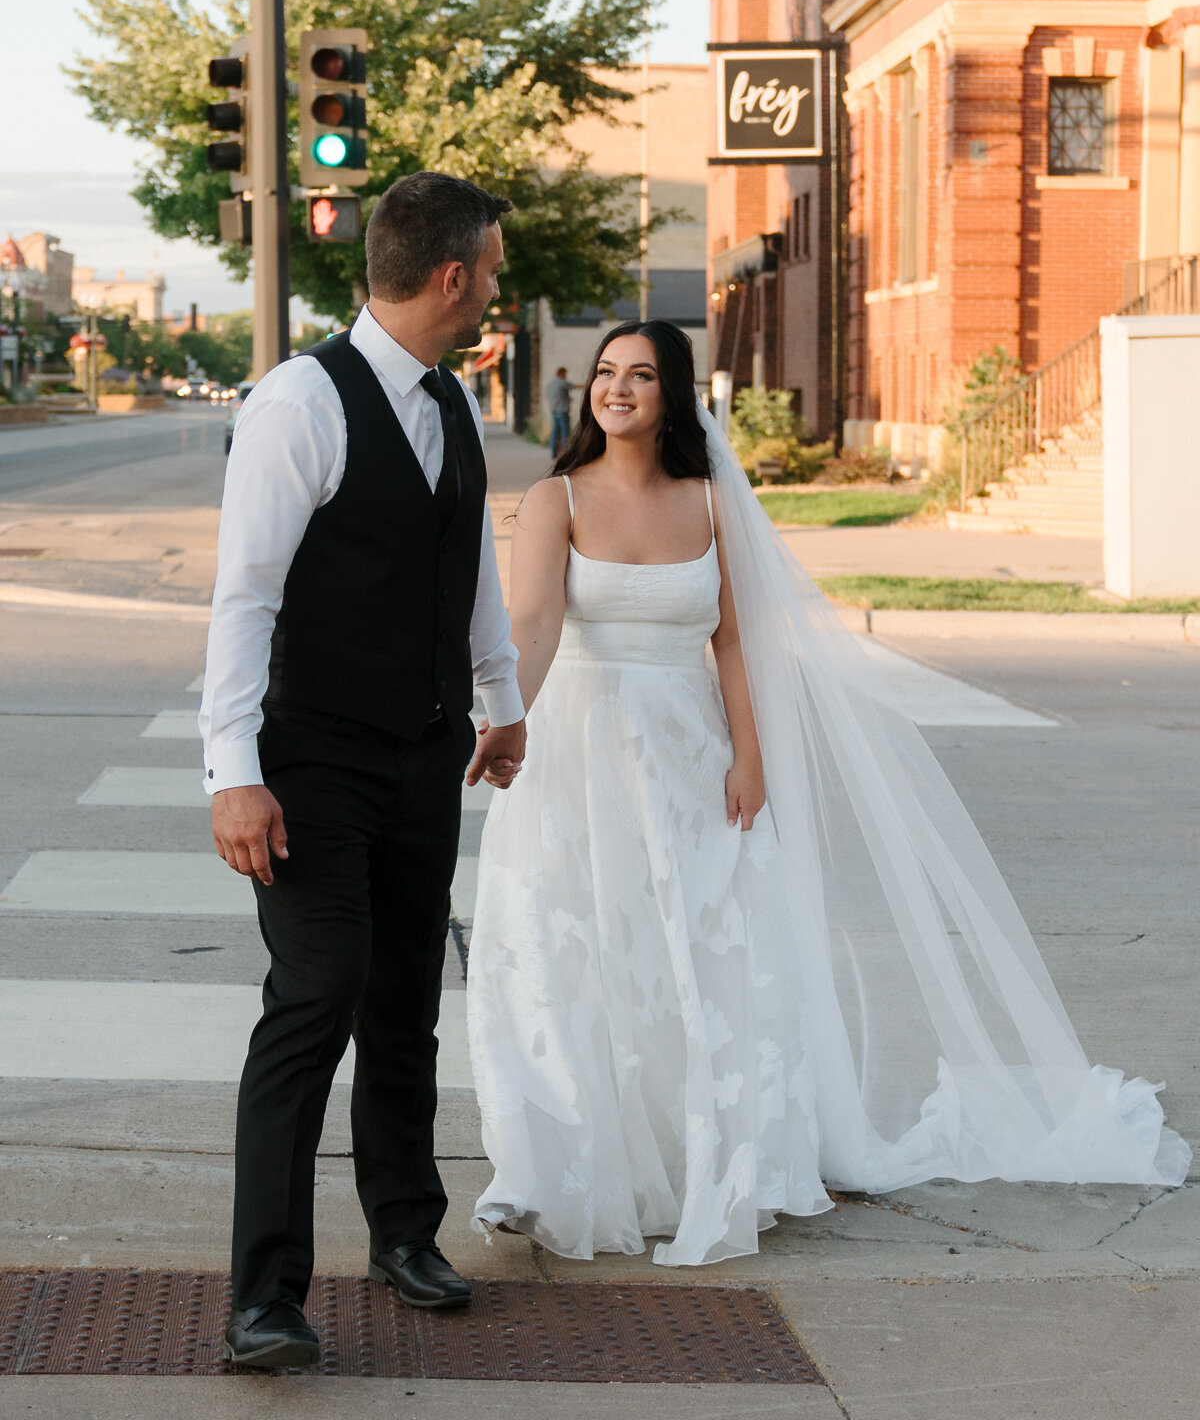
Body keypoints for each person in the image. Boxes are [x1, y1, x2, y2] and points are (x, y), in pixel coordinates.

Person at [466, 319, 1189, 1268]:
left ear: (672, 394)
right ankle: (553, 1168)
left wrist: (750, 757)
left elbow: (730, 641)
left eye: (641, 375)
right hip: (579, 758)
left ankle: (704, 1159)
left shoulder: (713, 502)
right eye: (606, 373)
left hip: (690, 759)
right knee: (572, 952)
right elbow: (534, 621)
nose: (618, 389)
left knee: (705, 955)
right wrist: (507, 715)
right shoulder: (555, 499)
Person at [200, 172, 527, 1368]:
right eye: (489, 268)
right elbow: (245, 599)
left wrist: (501, 701)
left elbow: (471, 561)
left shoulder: (453, 404)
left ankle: (404, 1232)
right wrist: (232, 773)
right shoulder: (300, 404)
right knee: (318, 991)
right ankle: (265, 1296)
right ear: (452, 276)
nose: (495, 285)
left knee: (406, 1008)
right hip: (311, 764)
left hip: (425, 755)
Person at [546, 365, 572, 458]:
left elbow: (550, 397)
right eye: (565, 374)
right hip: (562, 411)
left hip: (554, 410)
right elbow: (573, 386)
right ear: (563, 373)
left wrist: (567, 398)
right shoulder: (562, 383)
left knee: (555, 432)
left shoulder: (551, 384)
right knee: (565, 432)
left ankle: (553, 453)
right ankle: (565, 454)